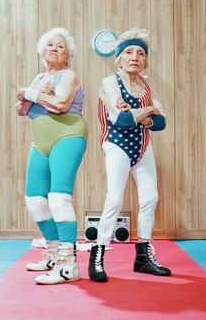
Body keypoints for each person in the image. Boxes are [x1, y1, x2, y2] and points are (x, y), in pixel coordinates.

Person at [88, 28, 171, 282]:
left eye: (141, 53)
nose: (135, 56)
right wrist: (147, 111)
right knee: (114, 198)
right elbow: (121, 121)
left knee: (151, 197)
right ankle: (97, 253)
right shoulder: (109, 83)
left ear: (145, 60)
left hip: (143, 145)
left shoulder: (146, 84)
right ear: (119, 58)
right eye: (129, 52)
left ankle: (143, 256)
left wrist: (139, 114)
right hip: (116, 144)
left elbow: (161, 123)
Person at [16, 28, 87, 285]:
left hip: (67, 135)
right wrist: (30, 94)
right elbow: (22, 109)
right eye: (50, 45)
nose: (54, 48)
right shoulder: (39, 77)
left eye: (60, 46)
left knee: (58, 198)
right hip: (40, 140)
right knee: (35, 200)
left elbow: (60, 105)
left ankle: (69, 266)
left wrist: (32, 93)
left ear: (68, 55)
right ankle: (54, 255)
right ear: (42, 52)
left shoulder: (69, 75)